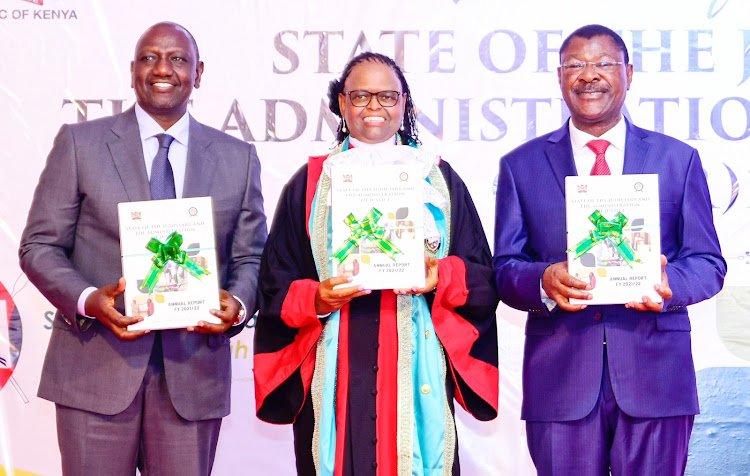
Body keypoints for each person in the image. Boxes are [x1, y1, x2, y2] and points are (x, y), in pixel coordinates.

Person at [19, 22, 267, 475]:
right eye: (150, 57)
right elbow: (39, 246)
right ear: (133, 70)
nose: (163, 69)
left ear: (199, 72)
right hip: (93, 372)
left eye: (177, 59)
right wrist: (89, 300)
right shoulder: (80, 144)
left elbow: (251, 257)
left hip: (192, 379)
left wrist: (239, 302)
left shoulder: (237, 157)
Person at [493, 25, 725, 475]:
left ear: (629, 73)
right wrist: (542, 279)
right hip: (559, 382)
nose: (588, 76)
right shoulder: (521, 166)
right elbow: (504, 268)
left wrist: (667, 283)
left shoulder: (677, 159)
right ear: (560, 78)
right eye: (576, 66)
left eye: (602, 64)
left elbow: (708, 262)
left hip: (657, 377)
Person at [254, 52, 498, 475]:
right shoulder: (311, 182)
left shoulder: (438, 179)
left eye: (387, 96)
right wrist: (316, 297)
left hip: (417, 356)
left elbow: (482, 275)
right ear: (342, 106)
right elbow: (275, 281)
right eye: (360, 96)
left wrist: (441, 276)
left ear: (405, 105)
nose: (373, 107)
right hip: (336, 363)